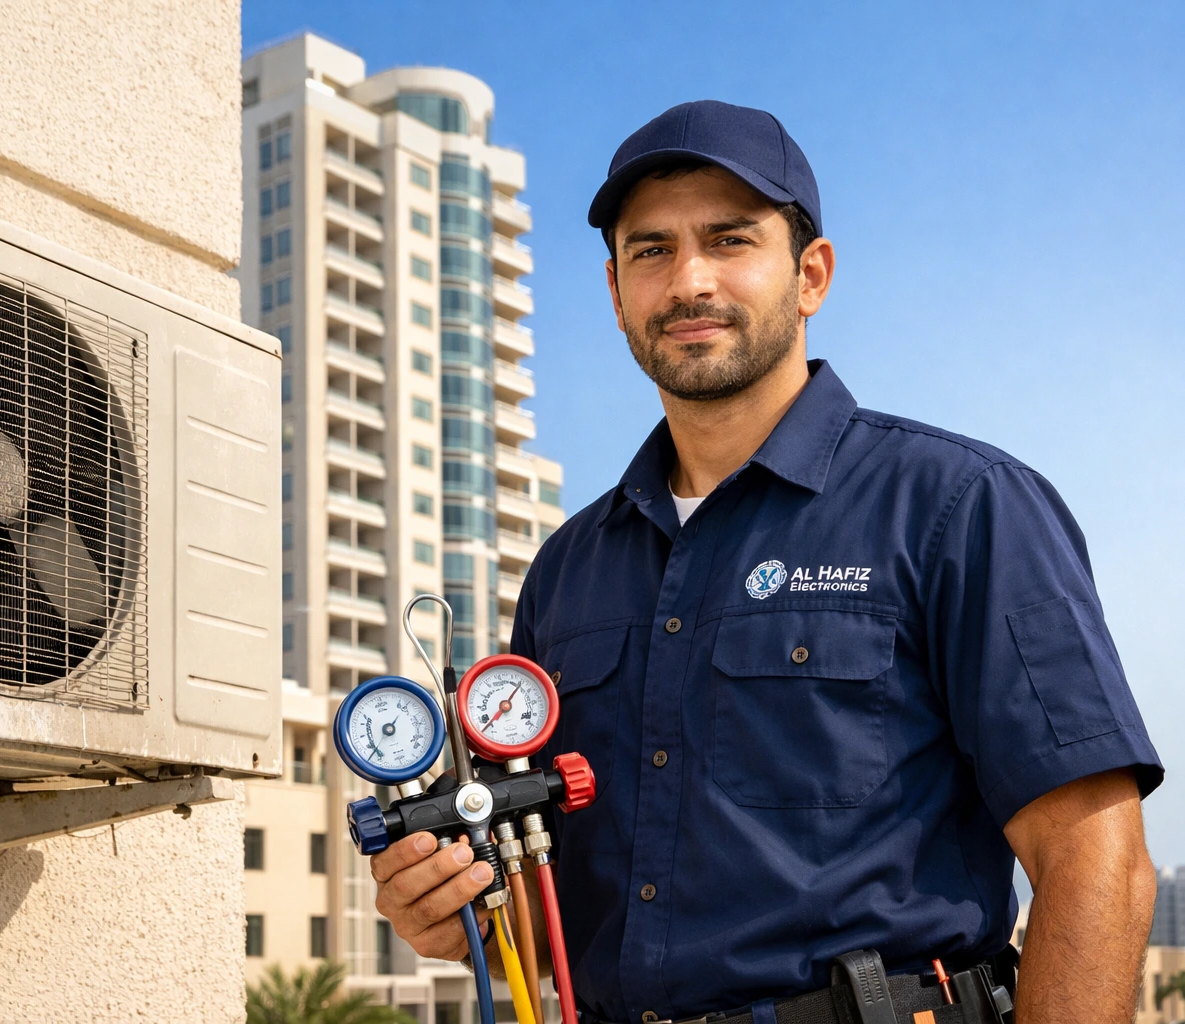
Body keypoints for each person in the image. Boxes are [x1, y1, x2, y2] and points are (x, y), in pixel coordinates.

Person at [369, 100, 1163, 1024]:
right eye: (651, 250)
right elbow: (548, 907)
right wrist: (449, 903)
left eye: (730, 239)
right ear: (616, 290)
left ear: (811, 274)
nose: (688, 280)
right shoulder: (567, 569)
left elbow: (1098, 862)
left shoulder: (960, 506)